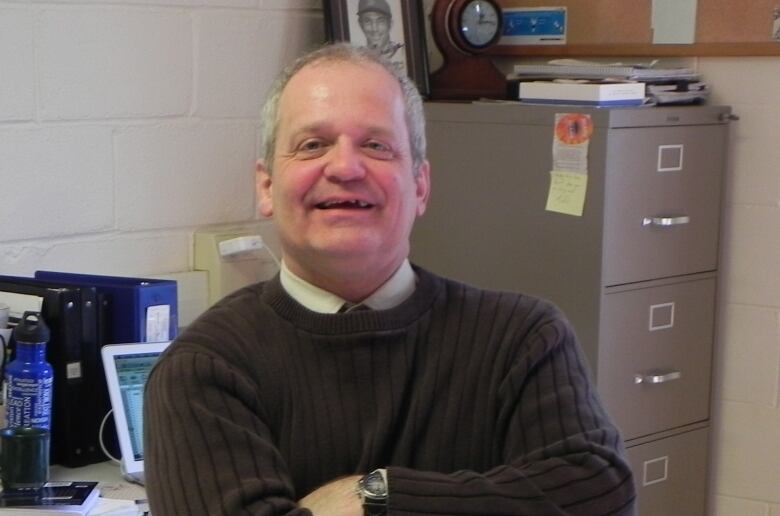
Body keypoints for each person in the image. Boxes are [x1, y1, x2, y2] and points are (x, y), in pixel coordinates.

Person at [144, 42, 637, 515]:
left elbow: (600, 494)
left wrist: (378, 498)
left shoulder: (522, 339)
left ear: (420, 185)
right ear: (267, 186)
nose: (345, 166)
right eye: (313, 145)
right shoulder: (205, 370)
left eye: (376, 145)